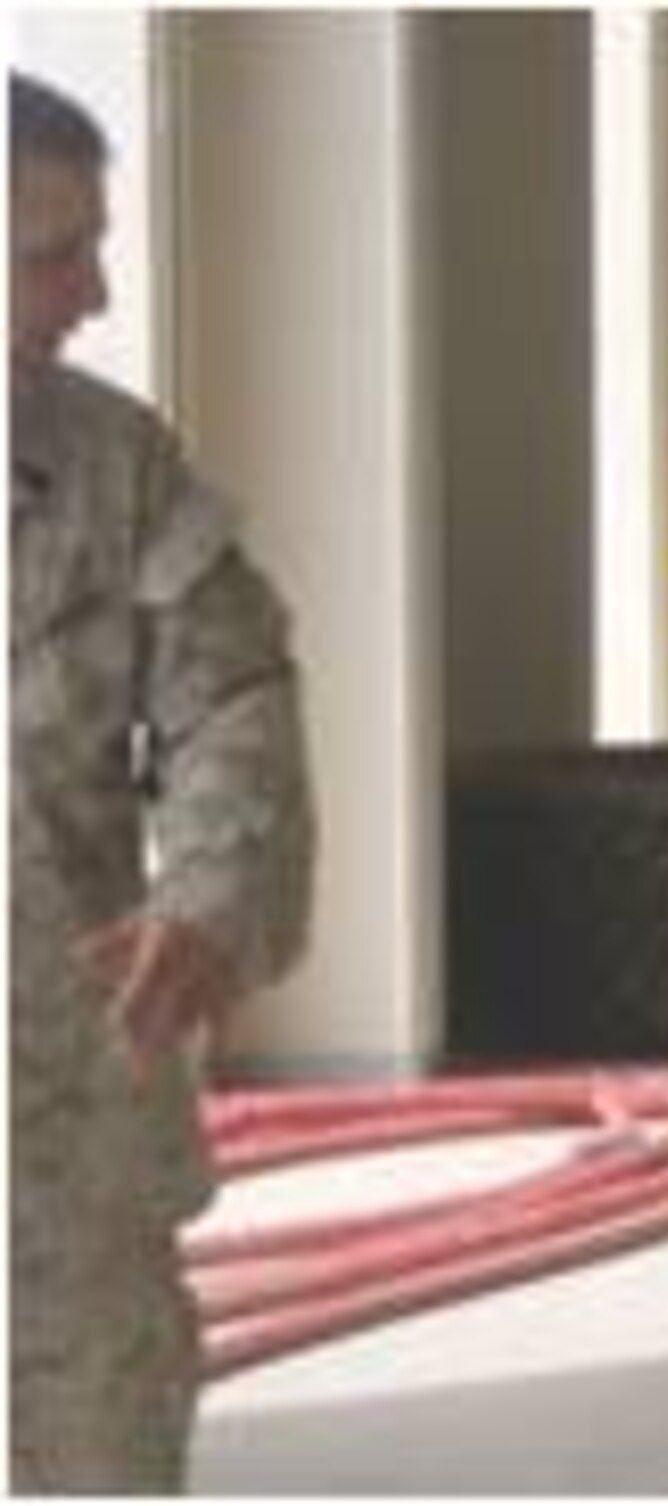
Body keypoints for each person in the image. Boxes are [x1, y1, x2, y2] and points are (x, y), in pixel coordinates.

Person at [11, 71, 316, 1492]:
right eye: (53, 255)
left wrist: (212, 885)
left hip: (64, 1116)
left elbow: (232, 692)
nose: (95, 292)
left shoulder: (110, 461)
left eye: (97, 242)